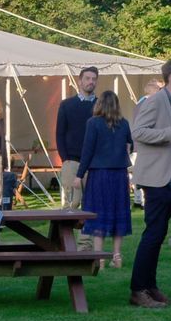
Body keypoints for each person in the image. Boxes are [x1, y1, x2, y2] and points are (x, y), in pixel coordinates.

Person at [129, 58, 171, 308]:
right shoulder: (156, 101)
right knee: (153, 234)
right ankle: (138, 290)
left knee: (158, 234)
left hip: (169, 177)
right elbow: (138, 132)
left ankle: (150, 286)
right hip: (156, 179)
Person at [74, 91, 132, 268]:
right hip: (120, 174)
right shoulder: (124, 124)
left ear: (99, 104)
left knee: (98, 213)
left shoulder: (93, 123)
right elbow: (131, 145)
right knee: (118, 213)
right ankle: (117, 256)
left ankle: (99, 257)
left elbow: (87, 150)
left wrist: (79, 174)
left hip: (99, 175)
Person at [55, 67, 98, 211]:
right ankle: (63, 234)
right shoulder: (67, 105)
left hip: (94, 162)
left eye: (94, 79)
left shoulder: (101, 106)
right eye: (87, 78)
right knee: (70, 205)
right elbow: (60, 133)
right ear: (79, 81)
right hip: (71, 160)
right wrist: (64, 158)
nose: (90, 82)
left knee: (91, 203)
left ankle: (87, 234)